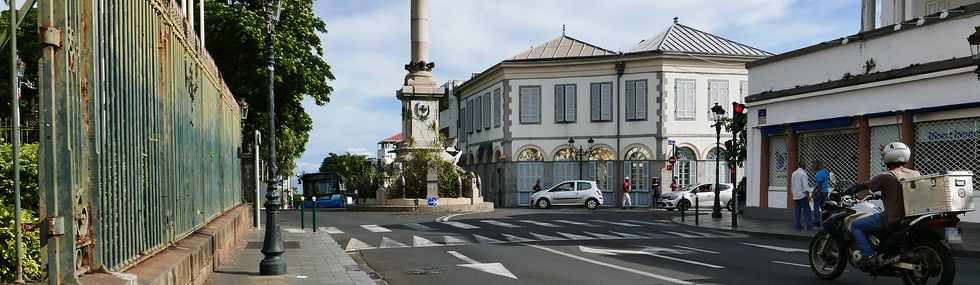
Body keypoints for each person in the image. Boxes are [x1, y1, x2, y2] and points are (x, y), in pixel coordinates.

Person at [850, 142, 921, 267]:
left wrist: (854, 189)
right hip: (911, 216)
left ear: (888, 158)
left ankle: (869, 256)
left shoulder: (886, 176)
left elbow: (868, 184)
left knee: (856, 225)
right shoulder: (915, 174)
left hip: (893, 218)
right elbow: (901, 192)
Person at [791, 161, 813, 230]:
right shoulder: (803, 173)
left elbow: (792, 184)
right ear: (803, 166)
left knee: (797, 211)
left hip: (795, 195)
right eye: (805, 165)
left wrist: (793, 193)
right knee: (807, 210)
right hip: (802, 195)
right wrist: (808, 195)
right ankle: (809, 224)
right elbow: (805, 186)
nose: (806, 166)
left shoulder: (793, 173)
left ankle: (797, 225)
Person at [811, 161, 829, 227]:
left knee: (816, 207)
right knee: (823, 207)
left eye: (814, 165)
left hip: (820, 192)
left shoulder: (819, 173)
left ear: (817, 166)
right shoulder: (825, 171)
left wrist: (815, 192)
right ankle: (827, 219)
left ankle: (817, 221)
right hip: (825, 192)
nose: (813, 166)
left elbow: (819, 184)